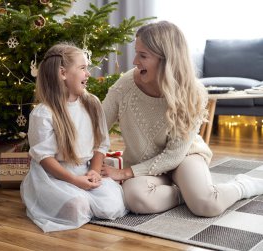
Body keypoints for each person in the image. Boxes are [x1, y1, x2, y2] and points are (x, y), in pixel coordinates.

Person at [101, 20, 263, 217]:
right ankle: (183, 193)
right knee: (135, 197)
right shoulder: (125, 86)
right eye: (136, 52)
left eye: (142, 55)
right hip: (144, 163)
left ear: (165, 59)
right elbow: (98, 126)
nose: (134, 61)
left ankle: (242, 186)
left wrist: (124, 173)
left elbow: (173, 156)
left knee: (206, 206)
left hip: (184, 156)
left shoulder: (192, 93)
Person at [20, 43, 127, 232]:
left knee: (113, 205)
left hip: (83, 170)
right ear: (63, 73)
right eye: (83, 68)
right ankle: (63, 200)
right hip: (54, 176)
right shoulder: (43, 113)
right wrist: (74, 181)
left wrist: (94, 171)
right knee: (77, 206)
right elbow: (45, 159)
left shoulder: (92, 104)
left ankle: (83, 199)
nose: (88, 74)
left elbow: (101, 144)